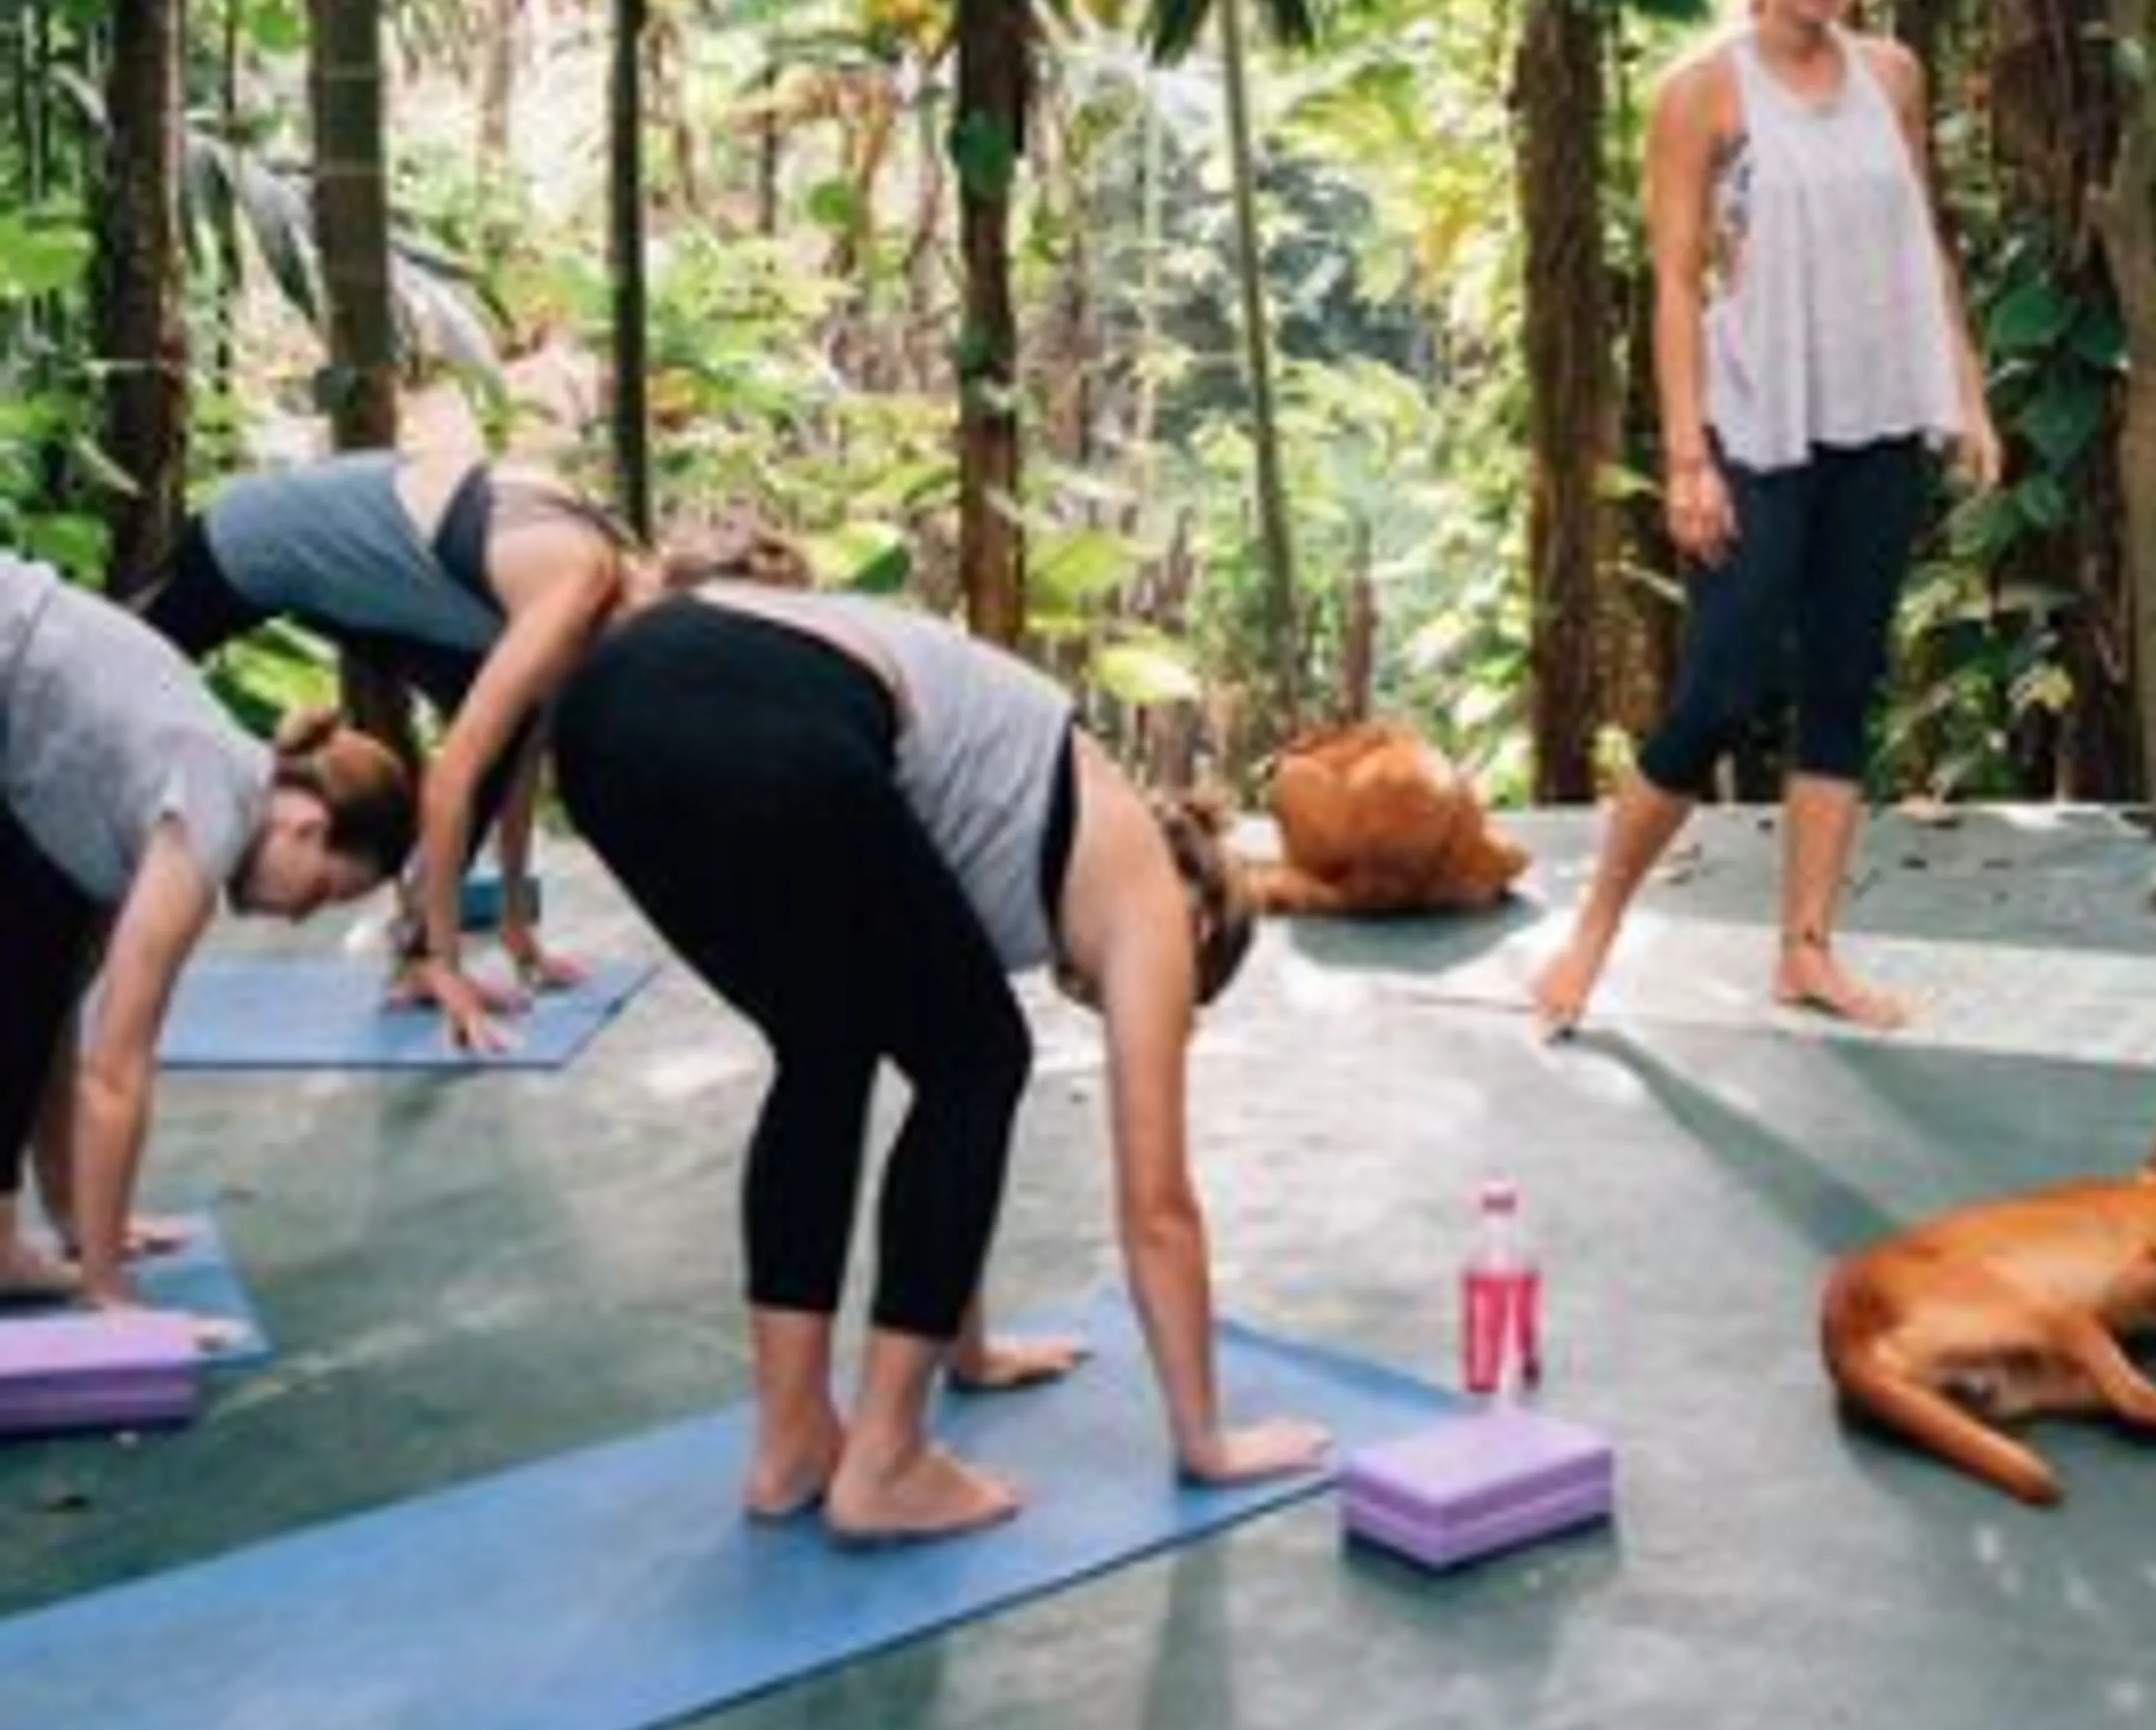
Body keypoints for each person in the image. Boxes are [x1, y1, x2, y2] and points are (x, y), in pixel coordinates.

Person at [551, 580, 1328, 1543]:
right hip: (758, 710)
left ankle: (793, 1444)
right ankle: (883, 1463)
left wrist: (971, 1348)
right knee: (983, 1057)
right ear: (1201, 919)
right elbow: (1157, 1206)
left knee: (828, 1043)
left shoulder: (1005, 815)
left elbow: (930, 1087)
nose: (1115, 1003)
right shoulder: (1149, 894)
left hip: (603, 711)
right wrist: (1208, 1441)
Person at [1531, 0, 2001, 1037]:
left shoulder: (1892, 73)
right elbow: (1678, 281)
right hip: (1757, 421)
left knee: (1844, 681)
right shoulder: (1706, 90)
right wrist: (1687, 454)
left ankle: (1806, 950)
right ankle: (1589, 933)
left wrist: (1969, 395)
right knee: (1723, 682)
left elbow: (1925, 246)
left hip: (1879, 415)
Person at [0, 554, 414, 1305]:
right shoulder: (213, 806)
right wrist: (109, 1290)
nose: (296, 917)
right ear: (303, 823)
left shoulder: (172, 791)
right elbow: (114, 1070)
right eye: (320, 891)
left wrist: (82, 1221)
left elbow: (52, 1013)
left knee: (24, 976)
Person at [135, 441, 641, 1045]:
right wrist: (448, 964)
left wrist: (516, 925)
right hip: (254, 539)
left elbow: (521, 753)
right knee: (101, 679)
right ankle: (425, 959)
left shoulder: (586, 610)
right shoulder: (578, 583)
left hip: (361, 580)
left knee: (502, 743)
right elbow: (451, 778)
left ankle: (416, 957)